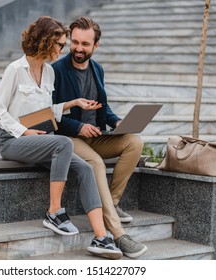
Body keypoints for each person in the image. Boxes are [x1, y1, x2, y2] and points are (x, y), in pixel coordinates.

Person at [0, 16, 122, 259]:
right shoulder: (15, 70)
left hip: (39, 140)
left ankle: (102, 237)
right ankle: (54, 212)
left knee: (84, 168)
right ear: (46, 42)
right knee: (63, 142)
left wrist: (74, 103)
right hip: (13, 141)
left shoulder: (49, 72)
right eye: (61, 44)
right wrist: (24, 131)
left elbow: (46, 112)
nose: (64, 50)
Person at [52, 16, 148, 258]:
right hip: (68, 138)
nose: (78, 49)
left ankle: (112, 202)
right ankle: (116, 233)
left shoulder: (97, 69)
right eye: (75, 42)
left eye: (85, 44)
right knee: (94, 161)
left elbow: (103, 108)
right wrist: (78, 127)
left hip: (96, 136)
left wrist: (117, 122)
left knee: (134, 143)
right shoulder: (56, 70)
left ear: (96, 45)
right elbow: (49, 115)